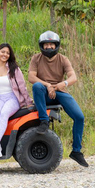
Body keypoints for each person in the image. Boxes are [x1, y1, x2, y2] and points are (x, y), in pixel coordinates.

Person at [28, 30, 88, 167]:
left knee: (79, 117)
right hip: (43, 93)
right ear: (41, 46)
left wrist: (62, 84)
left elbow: (73, 77)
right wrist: (48, 85)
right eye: (46, 44)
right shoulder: (36, 58)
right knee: (37, 86)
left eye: (52, 44)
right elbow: (31, 77)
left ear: (57, 45)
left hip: (60, 92)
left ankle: (76, 151)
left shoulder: (63, 59)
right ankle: (44, 121)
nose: (49, 47)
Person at [0, 43, 32, 158]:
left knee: (4, 113)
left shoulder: (14, 68)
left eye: (8, 53)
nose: (5, 54)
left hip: (12, 98)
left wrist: (28, 102)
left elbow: (22, 86)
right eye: (3, 52)